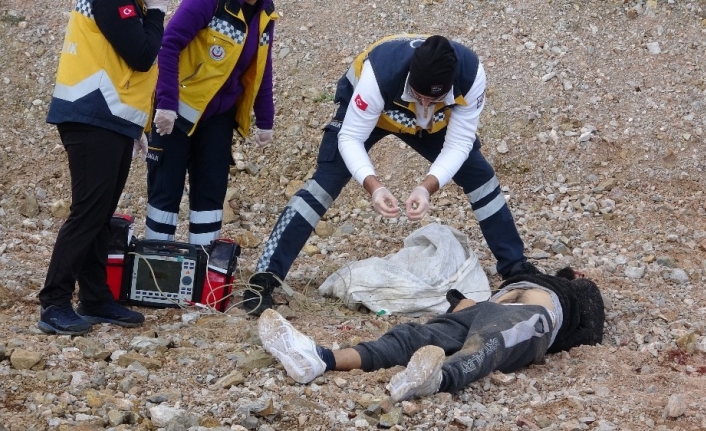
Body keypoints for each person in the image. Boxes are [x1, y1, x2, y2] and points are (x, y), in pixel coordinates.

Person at [244, 34, 539, 315]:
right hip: (372, 112)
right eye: (420, 96)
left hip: (434, 125)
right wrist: (373, 187)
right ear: (411, 77)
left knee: (481, 179)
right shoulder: (379, 74)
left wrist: (426, 187)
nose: (424, 105)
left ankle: (515, 267)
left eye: (433, 99)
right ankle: (265, 277)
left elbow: (460, 143)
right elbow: (350, 139)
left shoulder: (471, 75)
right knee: (324, 183)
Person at [259, 268, 605, 402]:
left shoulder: (560, 288)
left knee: (486, 346)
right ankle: (319, 358)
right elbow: (592, 330)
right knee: (416, 336)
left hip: (524, 316)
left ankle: (434, 380)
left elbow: (588, 335)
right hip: (497, 311)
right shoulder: (571, 287)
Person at [38, 0, 168, 335]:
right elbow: (141, 55)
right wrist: (156, 11)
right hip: (91, 114)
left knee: (100, 213)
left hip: (110, 119)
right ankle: (54, 301)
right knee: (88, 212)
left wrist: (135, 125)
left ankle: (95, 297)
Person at [144, 0, 278, 246]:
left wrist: (265, 118)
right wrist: (166, 103)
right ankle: (156, 266)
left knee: (210, 195)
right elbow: (168, 43)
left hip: (219, 116)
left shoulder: (265, 11)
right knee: (165, 192)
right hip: (177, 112)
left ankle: (203, 270)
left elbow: (262, 67)